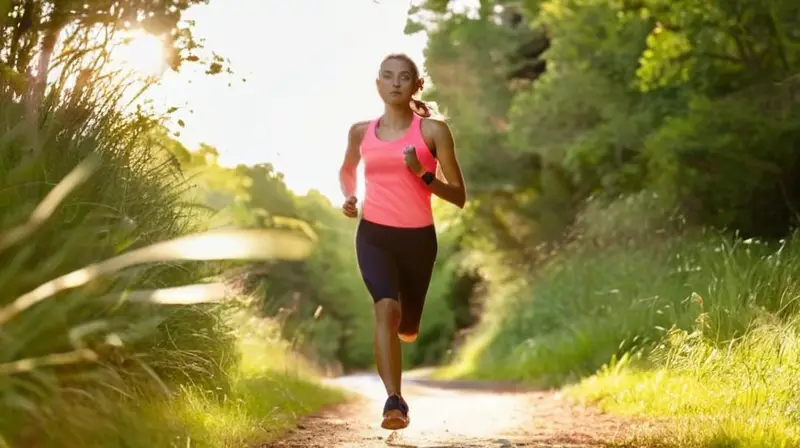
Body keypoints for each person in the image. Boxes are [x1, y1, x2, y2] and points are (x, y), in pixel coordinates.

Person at [338, 53, 467, 430]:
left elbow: (458, 196)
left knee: (407, 324)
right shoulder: (360, 132)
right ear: (377, 84)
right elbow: (347, 169)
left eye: (404, 77)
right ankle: (394, 402)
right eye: (388, 76)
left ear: (415, 85)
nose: (395, 82)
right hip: (374, 234)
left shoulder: (433, 132)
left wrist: (421, 173)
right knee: (386, 311)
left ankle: (408, 327)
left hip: (418, 241)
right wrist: (349, 196)